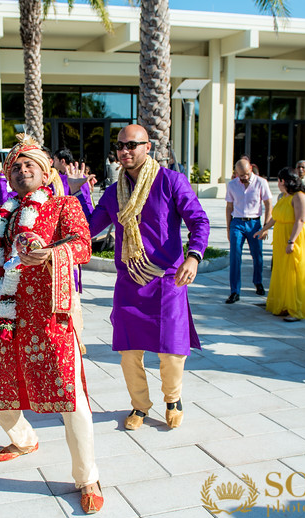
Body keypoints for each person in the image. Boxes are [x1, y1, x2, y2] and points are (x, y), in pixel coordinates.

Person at [0, 134, 103, 515]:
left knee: (73, 402)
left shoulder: (62, 205)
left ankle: (88, 477)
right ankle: (25, 439)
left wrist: (51, 253)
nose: (21, 170)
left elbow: (83, 245)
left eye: (29, 164)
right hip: (9, 321)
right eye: (15, 166)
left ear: (46, 172)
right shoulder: (2, 215)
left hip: (51, 318)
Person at [85, 124, 210, 431]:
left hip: (168, 279)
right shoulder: (115, 193)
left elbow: (199, 221)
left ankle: (173, 399)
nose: (125, 151)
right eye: (121, 146)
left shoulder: (171, 181)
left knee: (171, 351)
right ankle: (140, 405)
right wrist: (77, 193)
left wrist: (193, 256)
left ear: (148, 146)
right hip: (130, 280)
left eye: (132, 145)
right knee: (128, 352)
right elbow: (89, 227)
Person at [254, 168, 305, 322]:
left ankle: (296, 309)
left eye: (278, 180)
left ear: (283, 181)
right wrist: (263, 229)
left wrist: (291, 241)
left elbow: (300, 220)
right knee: (283, 272)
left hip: (296, 238)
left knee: (295, 273)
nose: (277, 183)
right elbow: (275, 217)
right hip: (281, 238)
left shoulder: (300, 197)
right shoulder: (284, 196)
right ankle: (284, 304)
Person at [224, 159, 272, 303]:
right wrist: (228, 227)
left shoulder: (261, 182)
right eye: (240, 175)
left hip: (254, 222)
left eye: (245, 174)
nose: (244, 178)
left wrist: (265, 227)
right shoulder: (232, 185)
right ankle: (234, 291)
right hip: (237, 222)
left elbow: (268, 204)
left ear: (251, 168)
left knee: (257, 255)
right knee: (235, 257)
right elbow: (229, 207)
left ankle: (258, 282)